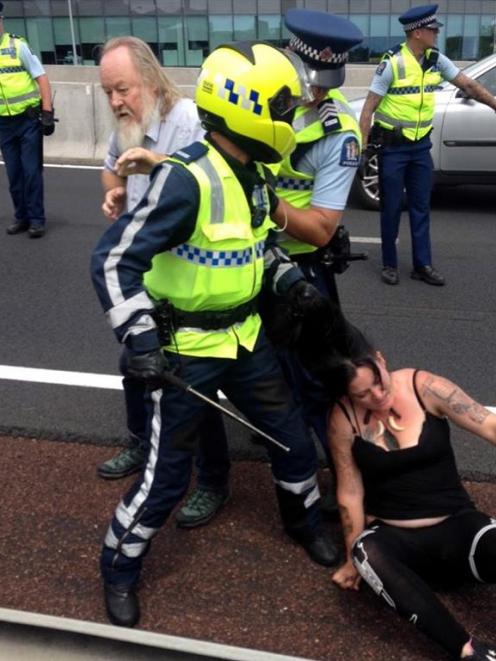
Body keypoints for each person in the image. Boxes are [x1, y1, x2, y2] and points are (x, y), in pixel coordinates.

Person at [91, 40, 340, 628]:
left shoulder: (253, 175)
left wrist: (288, 283)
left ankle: (304, 524)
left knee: (292, 443)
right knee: (165, 479)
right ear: (247, 107)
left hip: (247, 341)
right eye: (280, 108)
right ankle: (118, 570)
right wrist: (142, 342)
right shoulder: (186, 180)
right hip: (185, 351)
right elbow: (111, 261)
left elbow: (257, 245)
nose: (289, 118)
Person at [175, 9, 364, 528]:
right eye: (301, 84)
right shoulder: (251, 94)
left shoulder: (338, 132)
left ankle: (329, 486)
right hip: (237, 263)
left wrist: (262, 200)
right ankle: (218, 476)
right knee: (226, 372)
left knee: (312, 383)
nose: (308, 96)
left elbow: (322, 227)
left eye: (317, 87)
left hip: (297, 272)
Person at [314, 322, 496, 659]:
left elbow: (488, 423)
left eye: (378, 383)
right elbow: (350, 493)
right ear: (346, 395)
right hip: (398, 545)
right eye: (362, 394)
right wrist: (352, 559)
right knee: (364, 550)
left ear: (381, 360)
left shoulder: (425, 386)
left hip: (459, 529)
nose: (378, 396)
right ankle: (468, 651)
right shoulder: (342, 420)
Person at [95, 36, 229, 484]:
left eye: (123, 89)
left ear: (151, 81)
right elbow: (111, 164)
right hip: (148, 277)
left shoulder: (189, 121)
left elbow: (214, 186)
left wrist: (157, 163)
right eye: (108, 92)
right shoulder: (128, 120)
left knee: (191, 382)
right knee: (134, 364)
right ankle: (140, 442)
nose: (115, 101)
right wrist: (114, 189)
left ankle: (212, 479)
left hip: (190, 278)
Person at [358, 3, 496, 287]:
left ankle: (422, 264)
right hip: (393, 149)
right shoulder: (392, 62)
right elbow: (368, 109)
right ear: (418, 32)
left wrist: (494, 104)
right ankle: (390, 264)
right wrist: (362, 150)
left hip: (421, 148)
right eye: (433, 30)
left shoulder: (435, 59)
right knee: (392, 207)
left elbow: (468, 85)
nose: (436, 34)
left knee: (421, 207)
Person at [0, 0, 55, 238]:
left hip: (28, 121)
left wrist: (47, 112)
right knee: (14, 174)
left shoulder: (17, 45)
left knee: (31, 172)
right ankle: (21, 217)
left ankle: (36, 219)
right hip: (3, 123)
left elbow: (41, 77)